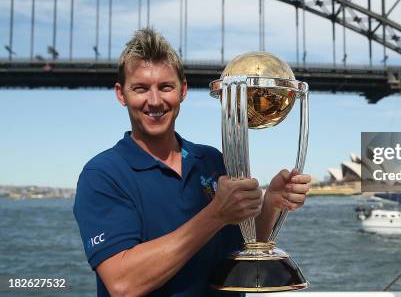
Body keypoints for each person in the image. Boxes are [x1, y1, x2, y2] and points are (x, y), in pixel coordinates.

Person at [73, 28, 311, 296]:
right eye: (140, 88)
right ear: (121, 94)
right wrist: (216, 214)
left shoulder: (211, 160)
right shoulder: (103, 174)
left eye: (166, 87)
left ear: (183, 90)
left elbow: (245, 244)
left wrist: (272, 203)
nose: (154, 101)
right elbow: (123, 283)